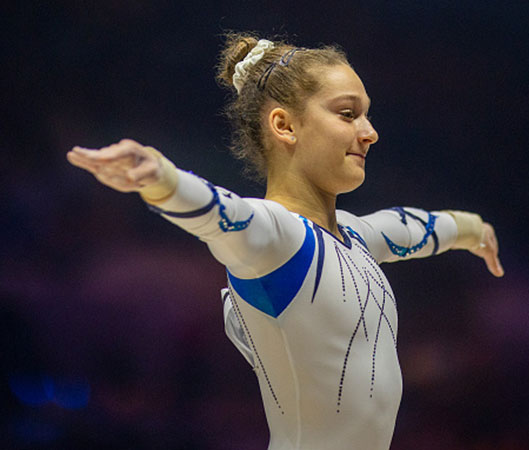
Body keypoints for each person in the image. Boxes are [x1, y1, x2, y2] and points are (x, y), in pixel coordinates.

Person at [67, 33, 503, 450]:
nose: (370, 132)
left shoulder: (355, 238)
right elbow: (223, 214)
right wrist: (161, 179)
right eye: (348, 114)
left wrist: (472, 229)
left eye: (367, 115)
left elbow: (412, 228)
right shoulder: (279, 239)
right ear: (284, 125)